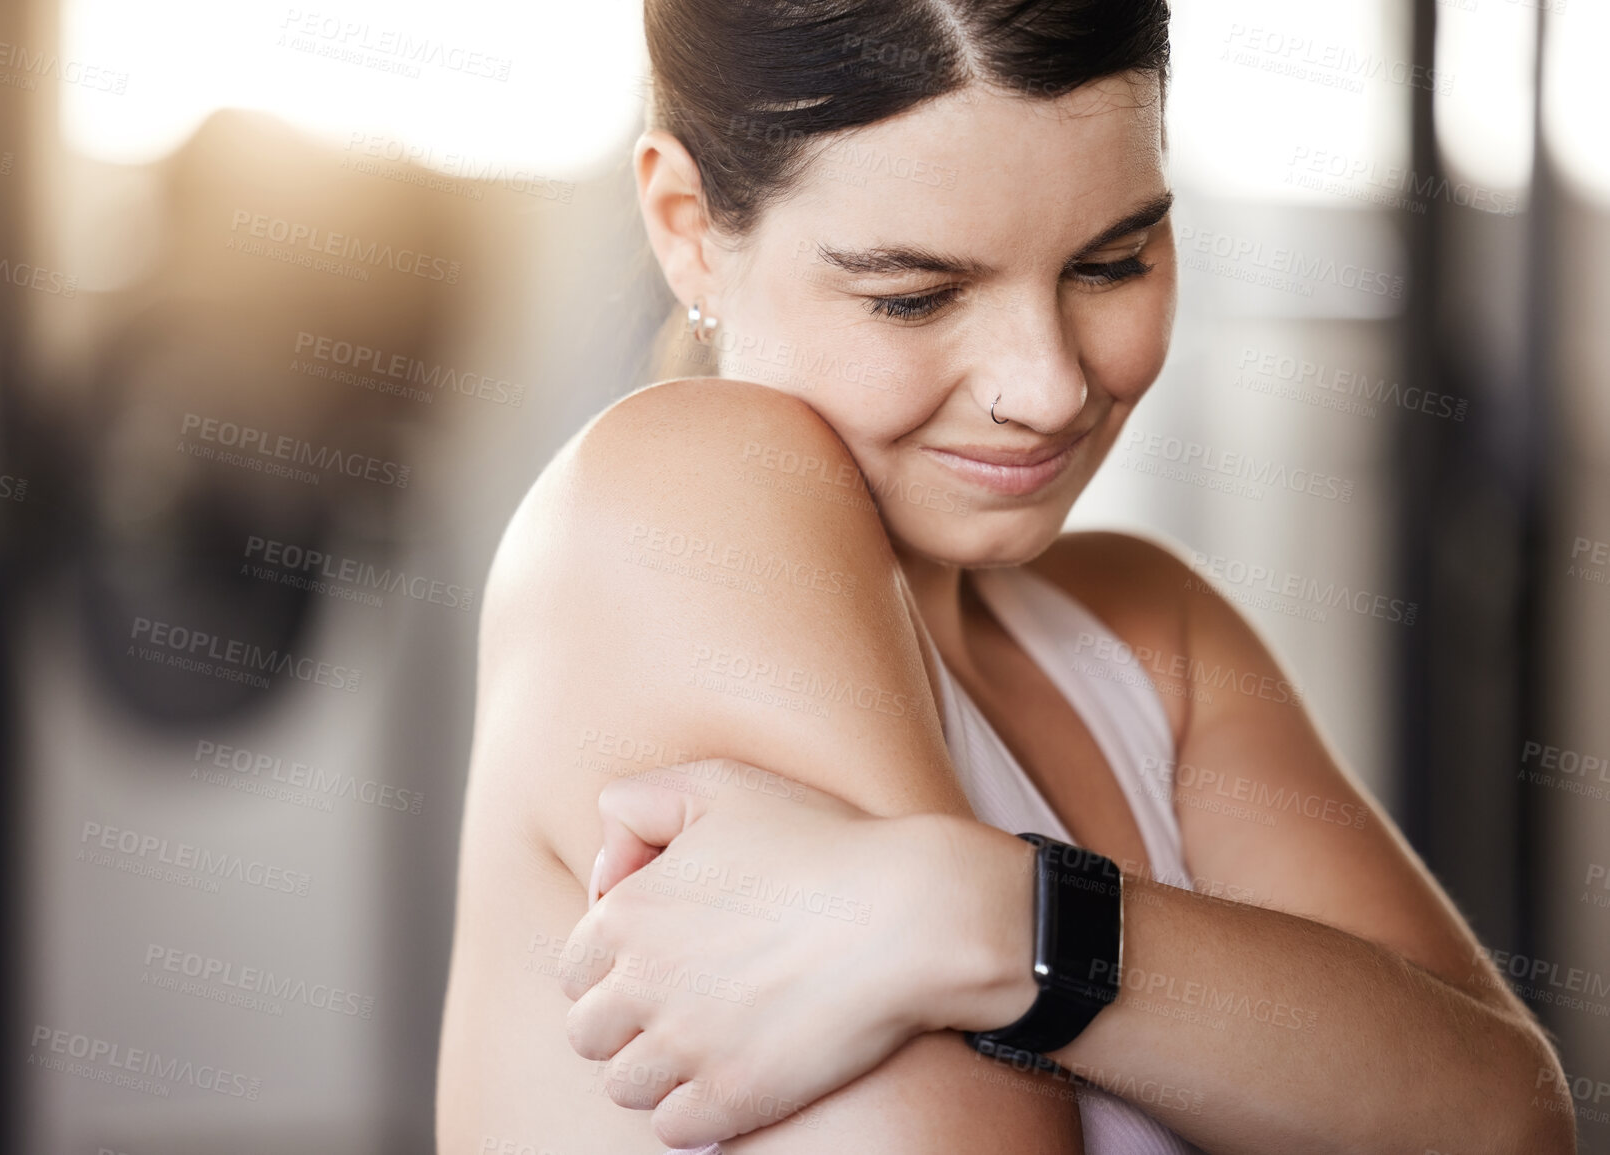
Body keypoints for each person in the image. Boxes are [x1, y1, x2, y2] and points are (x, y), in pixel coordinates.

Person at [434, 2, 1574, 1152]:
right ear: (687, 226)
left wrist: (979, 914)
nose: (1048, 386)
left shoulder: (1145, 630)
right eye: (916, 296)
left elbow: (1502, 1117)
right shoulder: (684, 494)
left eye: (1112, 262)